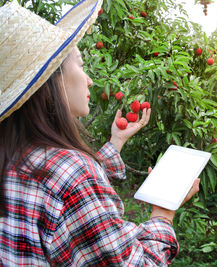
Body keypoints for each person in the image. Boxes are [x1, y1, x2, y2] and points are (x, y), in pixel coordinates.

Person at [0, 0, 200, 266]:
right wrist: (163, 212)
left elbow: (68, 194)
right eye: (81, 65)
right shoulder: (72, 173)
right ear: (53, 79)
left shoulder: (13, 158)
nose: (90, 80)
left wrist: (116, 142)